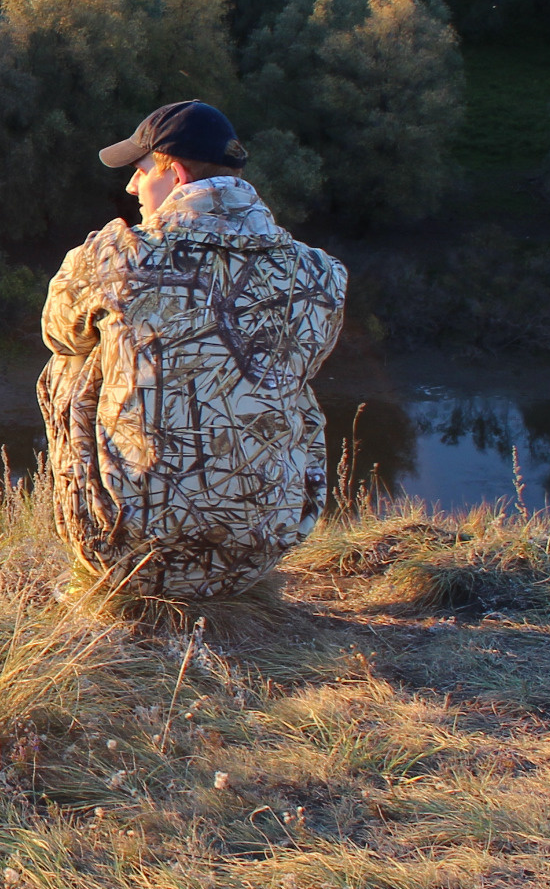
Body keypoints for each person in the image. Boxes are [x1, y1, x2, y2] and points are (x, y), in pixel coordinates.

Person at [39, 100, 347, 603]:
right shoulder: (320, 274)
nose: (132, 187)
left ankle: (122, 530)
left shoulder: (115, 257)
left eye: (139, 172)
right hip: (261, 550)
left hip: (130, 557)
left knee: (73, 359)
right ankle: (247, 517)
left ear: (175, 173)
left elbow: (57, 334)